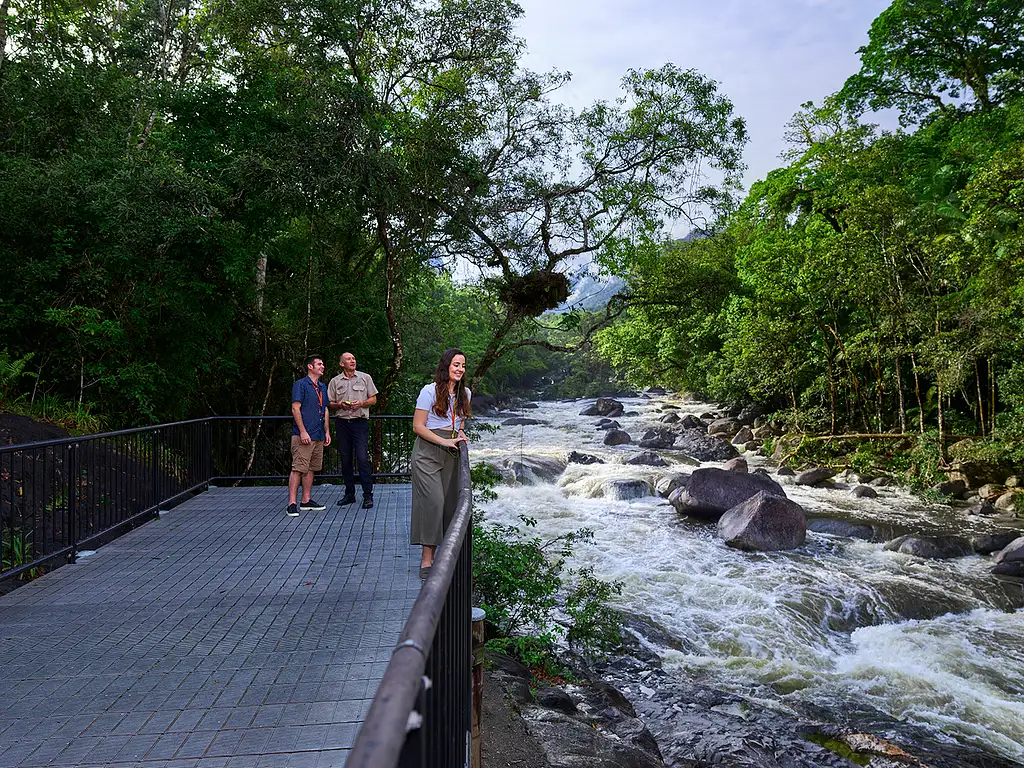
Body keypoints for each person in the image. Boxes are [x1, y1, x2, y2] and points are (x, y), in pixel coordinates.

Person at [411, 348, 471, 579]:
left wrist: (460, 435)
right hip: (428, 451)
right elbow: (418, 426)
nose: (460, 369)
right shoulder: (429, 391)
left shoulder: (464, 392)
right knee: (433, 502)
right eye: (456, 364)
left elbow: (460, 423)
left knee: (448, 505)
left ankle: (445, 557)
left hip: (451, 452)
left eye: (463, 365)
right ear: (446, 366)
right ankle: (427, 559)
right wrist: (444, 442)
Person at [327, 351, 379, 509]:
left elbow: (374, 399)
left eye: (354, 358)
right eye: (348, 359)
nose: (352, 361)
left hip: (360, 423)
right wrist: (340, 405)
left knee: (363, 458)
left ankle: (367, 495)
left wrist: (361, 403)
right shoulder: (335, 381)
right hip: (342, 423)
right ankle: (349, 494)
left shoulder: (365, 377)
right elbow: (329, 403)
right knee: (345, 459)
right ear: (341, 364)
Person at [287, 355, 331, 516]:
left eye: (323, 364)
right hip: (303, 435)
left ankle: (306, 500)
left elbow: (325, 409)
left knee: (311, 468)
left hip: (318, 434)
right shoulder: (301, 385)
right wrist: (303, 431)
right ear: (310, 367)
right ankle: (292, 503)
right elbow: (295, 409)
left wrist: (327, 431)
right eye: (319, 364)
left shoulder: (322, 387)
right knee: (298, 468)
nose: (322, 366)